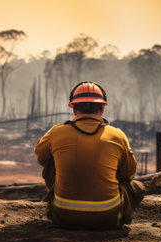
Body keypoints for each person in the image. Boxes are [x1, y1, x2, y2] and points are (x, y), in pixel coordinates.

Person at [34, 81, 144, 230]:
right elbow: (128, 174)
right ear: (102, 109)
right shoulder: (117, 135)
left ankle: (61, 201)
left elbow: (40, 157)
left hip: (63, 218)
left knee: (50, 159)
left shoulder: (56, 132)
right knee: (137, 186)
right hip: (109, 220)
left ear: (73, 109)